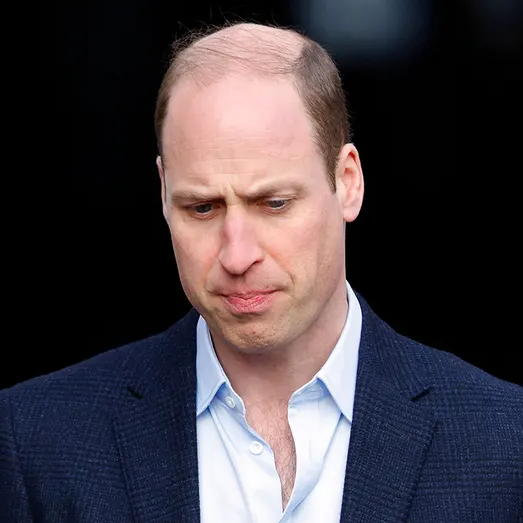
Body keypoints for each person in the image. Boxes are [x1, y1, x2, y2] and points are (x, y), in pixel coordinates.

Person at [1, 21, 522, 523]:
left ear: (347, 182)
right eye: (202, 208)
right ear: (163, 192)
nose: (237, 255)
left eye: (273, 203)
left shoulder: (502, 442)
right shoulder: (39, 440)